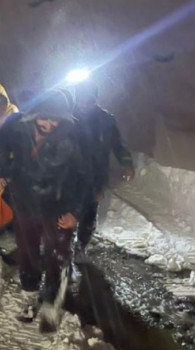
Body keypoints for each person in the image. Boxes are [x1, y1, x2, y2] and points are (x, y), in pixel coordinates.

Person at [0, 89, 91, 332]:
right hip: (25, 202)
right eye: (44, 118)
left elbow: (86, 178)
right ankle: (30, 296)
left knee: (57, 255)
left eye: (55, 119)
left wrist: (76, 213)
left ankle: (51, 303)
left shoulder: (75, 137)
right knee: (27, 252)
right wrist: (3, 173)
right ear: (35, 115)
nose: (49, 124)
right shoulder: (18, 129)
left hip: (59, 206)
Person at [73, 81, 134, 255]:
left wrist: (127, 163)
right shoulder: (68, 117)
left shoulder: (106, 120)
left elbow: (118, 144)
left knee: (90, 210)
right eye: (81, 97)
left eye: (88, 98)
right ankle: (64, 242)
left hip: (95, 174)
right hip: (70, 173)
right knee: (65, 208)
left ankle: (81, 244)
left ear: (94, 98)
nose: (84, 102)